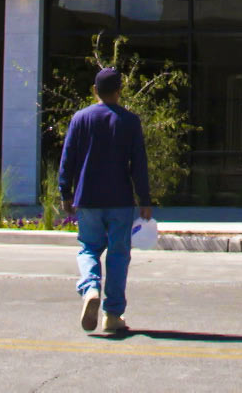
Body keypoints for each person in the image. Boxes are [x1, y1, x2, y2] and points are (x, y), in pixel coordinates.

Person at [58, 66, 152, 335]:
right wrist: (144, 198)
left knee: (88, 248)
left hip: (87, 197)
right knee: (119, 254)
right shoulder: (130, 121)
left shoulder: (80, 118)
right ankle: (112, 314)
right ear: (119, 92)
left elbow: (68, 159)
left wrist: (65, 192)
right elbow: (139, 164)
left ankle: (90, 288)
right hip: (120, 199)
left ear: (95, 91)